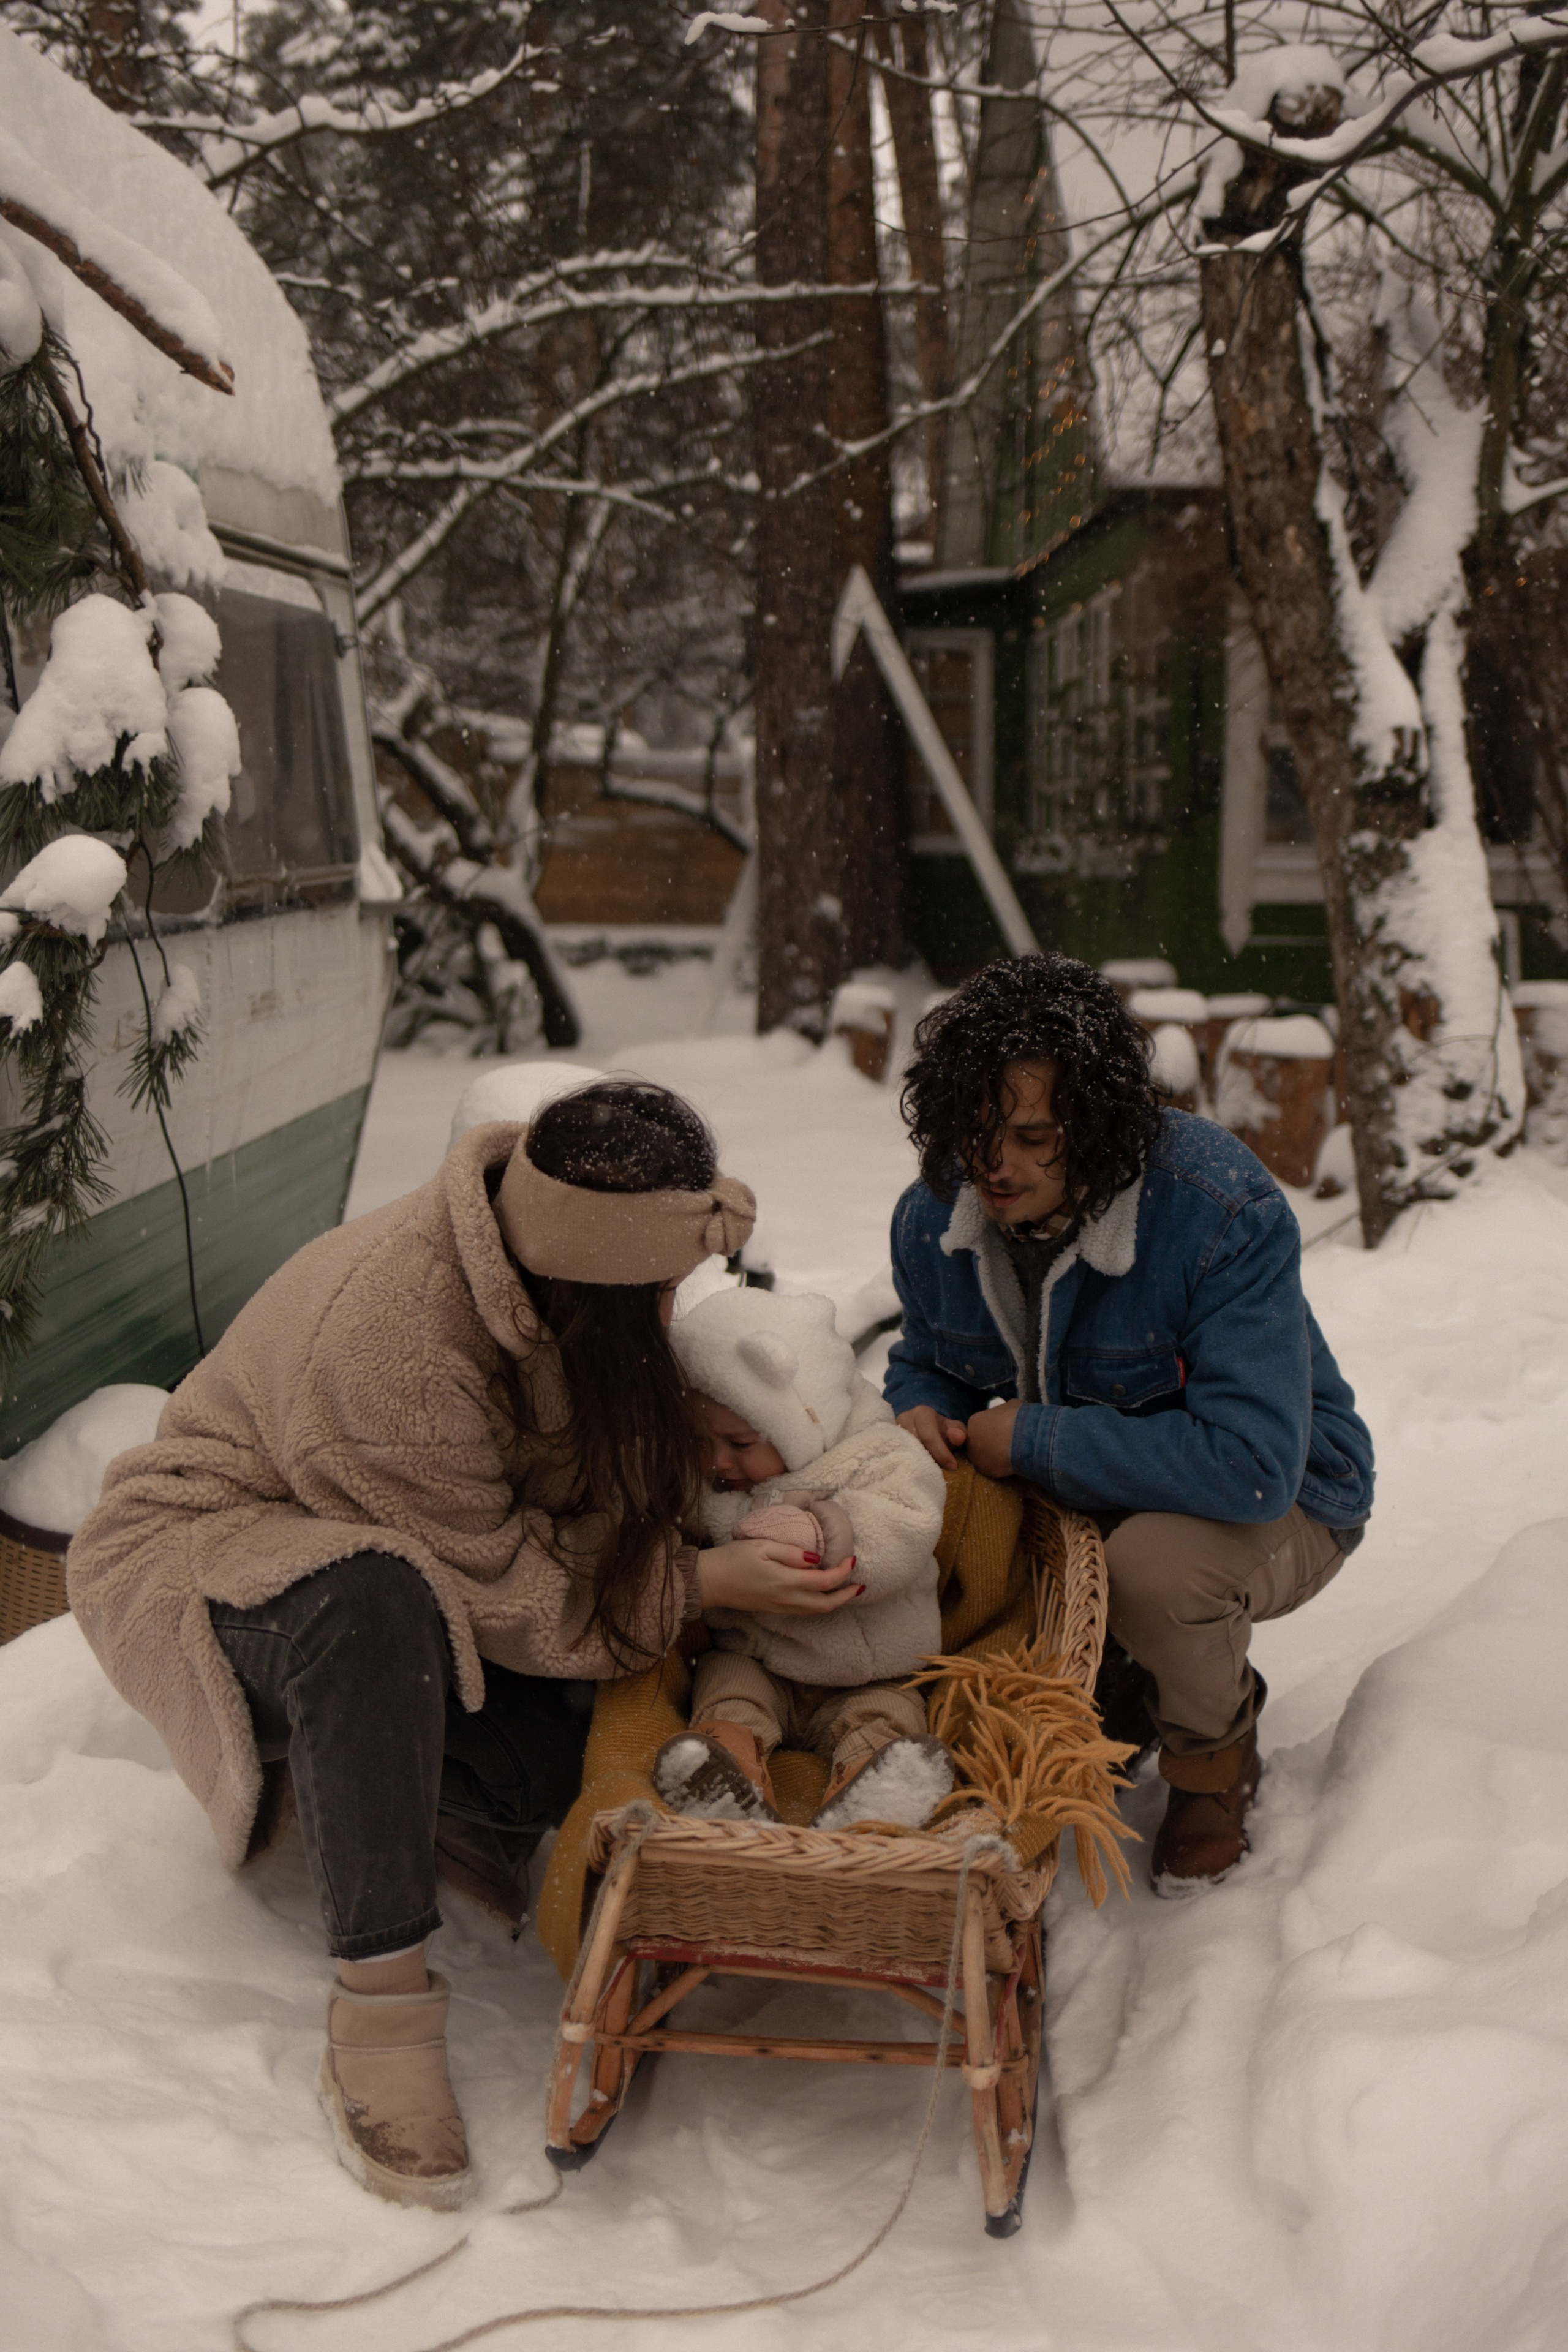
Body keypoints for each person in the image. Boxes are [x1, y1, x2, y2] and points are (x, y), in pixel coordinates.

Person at [66, 1081, 857, 2211]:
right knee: (372, 1605)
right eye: (658, 1285)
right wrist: (697, 1582)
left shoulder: (556, 1274)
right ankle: (377, 2005)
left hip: (421, 1546)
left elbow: (563, 1514)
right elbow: (496, 1589)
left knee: (555, 1746)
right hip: (213, 1551)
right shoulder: (391, 1347)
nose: (676, 1297)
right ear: (586, 1275)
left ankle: (409, 1790)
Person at [884, 955, 1374, 1894]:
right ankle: (1109, 1690)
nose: (996, 1165)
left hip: (1291, 1497)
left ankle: (1212, 1763)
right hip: (1091, 1496)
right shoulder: (933, 1213)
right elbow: (930, 1359)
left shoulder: (1219, 1210)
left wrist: (1033, 1439)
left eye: (1033, 1137)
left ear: (1099, 1129)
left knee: (1150, 1574)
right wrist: (921, 1412)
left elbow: (1255, 1466)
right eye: (978, 1132)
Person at [654, 1285, 953, 1830]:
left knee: (889, 1716)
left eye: (740, 1443)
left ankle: (874, 1789)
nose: (717, 1461)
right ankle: (727, 1768)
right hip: (759, 1662)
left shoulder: (878, 1452)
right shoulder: (705, 1481)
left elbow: (907, 1526)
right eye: (700, 1441)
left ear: (802, 1418)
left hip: (870, 1672)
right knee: (726, 1689)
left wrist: (825, 1533)